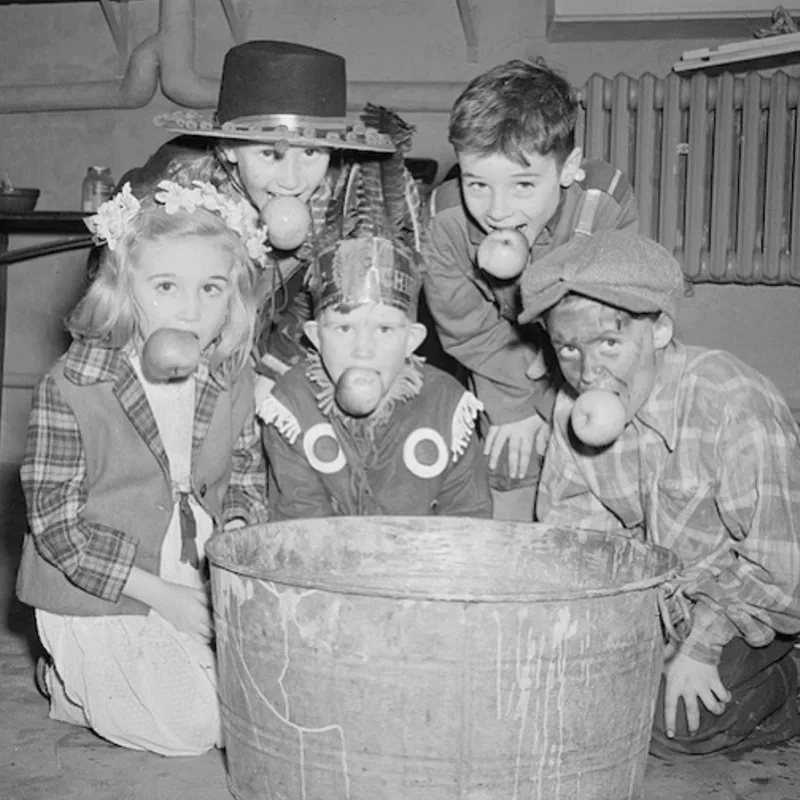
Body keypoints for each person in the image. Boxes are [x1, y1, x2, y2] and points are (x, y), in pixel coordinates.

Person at [520, 228, 800, 759]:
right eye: (568, 349)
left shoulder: (731, 403)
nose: (587, 372)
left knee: (674, 728)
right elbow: (575, 547)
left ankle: (790, 679)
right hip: (659, 600)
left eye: (609, 343)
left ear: (660, 330)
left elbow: (787, 572)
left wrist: (701, 644)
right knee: (569, 702)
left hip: (752, 602)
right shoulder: (569, 411)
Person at [15, 179, 270, 756]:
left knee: (265, 710)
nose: (191, 309)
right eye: (165, 286)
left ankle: (128, 678)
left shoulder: (232, 377)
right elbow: (57, 528)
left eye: (211, 288)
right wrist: (163, 597)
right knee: (194, 732)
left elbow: (246, 479)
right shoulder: (73, 386)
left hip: (193, 573)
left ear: (233, 294)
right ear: (125, 287)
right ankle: (68, 681)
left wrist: (232, 545)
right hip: (103, 585)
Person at [422, 58, 639, 521]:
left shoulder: (603, 207)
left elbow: (613, 328)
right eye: (477, 184)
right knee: (508, 462)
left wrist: (549, 408)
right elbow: (466, 330)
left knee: (607, 464)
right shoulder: (445, 221)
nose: (497, 210)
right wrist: (516, 407)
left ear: (568, 169)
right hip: (498, 362)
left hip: (588, 361)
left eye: (523, 185)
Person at [134, 40, 416, 393]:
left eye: (312, 152)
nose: (292, 181)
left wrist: (271, 374)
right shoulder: (176, 186)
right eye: (270, 154)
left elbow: (325, 312)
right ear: (229, 148)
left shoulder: (344, 198)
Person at [257, 151, 493, 520]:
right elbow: (299, 525)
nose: (362, 350)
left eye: (384, 329)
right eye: (343, 328)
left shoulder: (448, 407)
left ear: (412, 338)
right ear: (316, 336)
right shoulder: (291, 404)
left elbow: (469, 522)